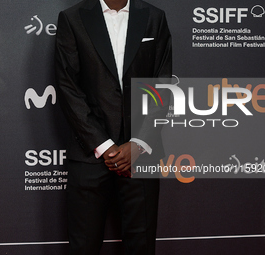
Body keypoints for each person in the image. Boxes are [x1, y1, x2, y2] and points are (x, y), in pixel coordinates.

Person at [54, 0, 172, 254]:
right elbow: (68, 88)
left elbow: (163, 86)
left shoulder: (154, 17)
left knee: (141, 247)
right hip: (89, 155)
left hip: (141, 155)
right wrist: (105, 146)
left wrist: (139, 144)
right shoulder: (73, 18)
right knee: (83, 247)